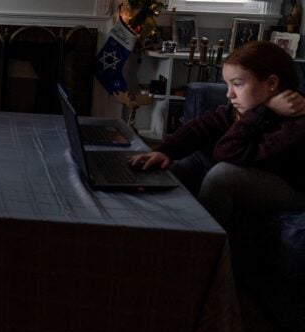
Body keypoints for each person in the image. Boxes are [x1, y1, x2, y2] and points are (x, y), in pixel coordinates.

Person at [128, 41, 305, 234]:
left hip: (293, 188)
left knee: (223, 175)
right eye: (227, 85)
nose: (229, 94)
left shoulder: (296, 123)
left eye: (237, 84)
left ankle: (202, 248)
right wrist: (166, 151)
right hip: (257, 167)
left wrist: (262, 112)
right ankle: (149, 223)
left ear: (272, 83)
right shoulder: (248, 111)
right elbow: (203, 126)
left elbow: (229, 152)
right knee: (190, 157)